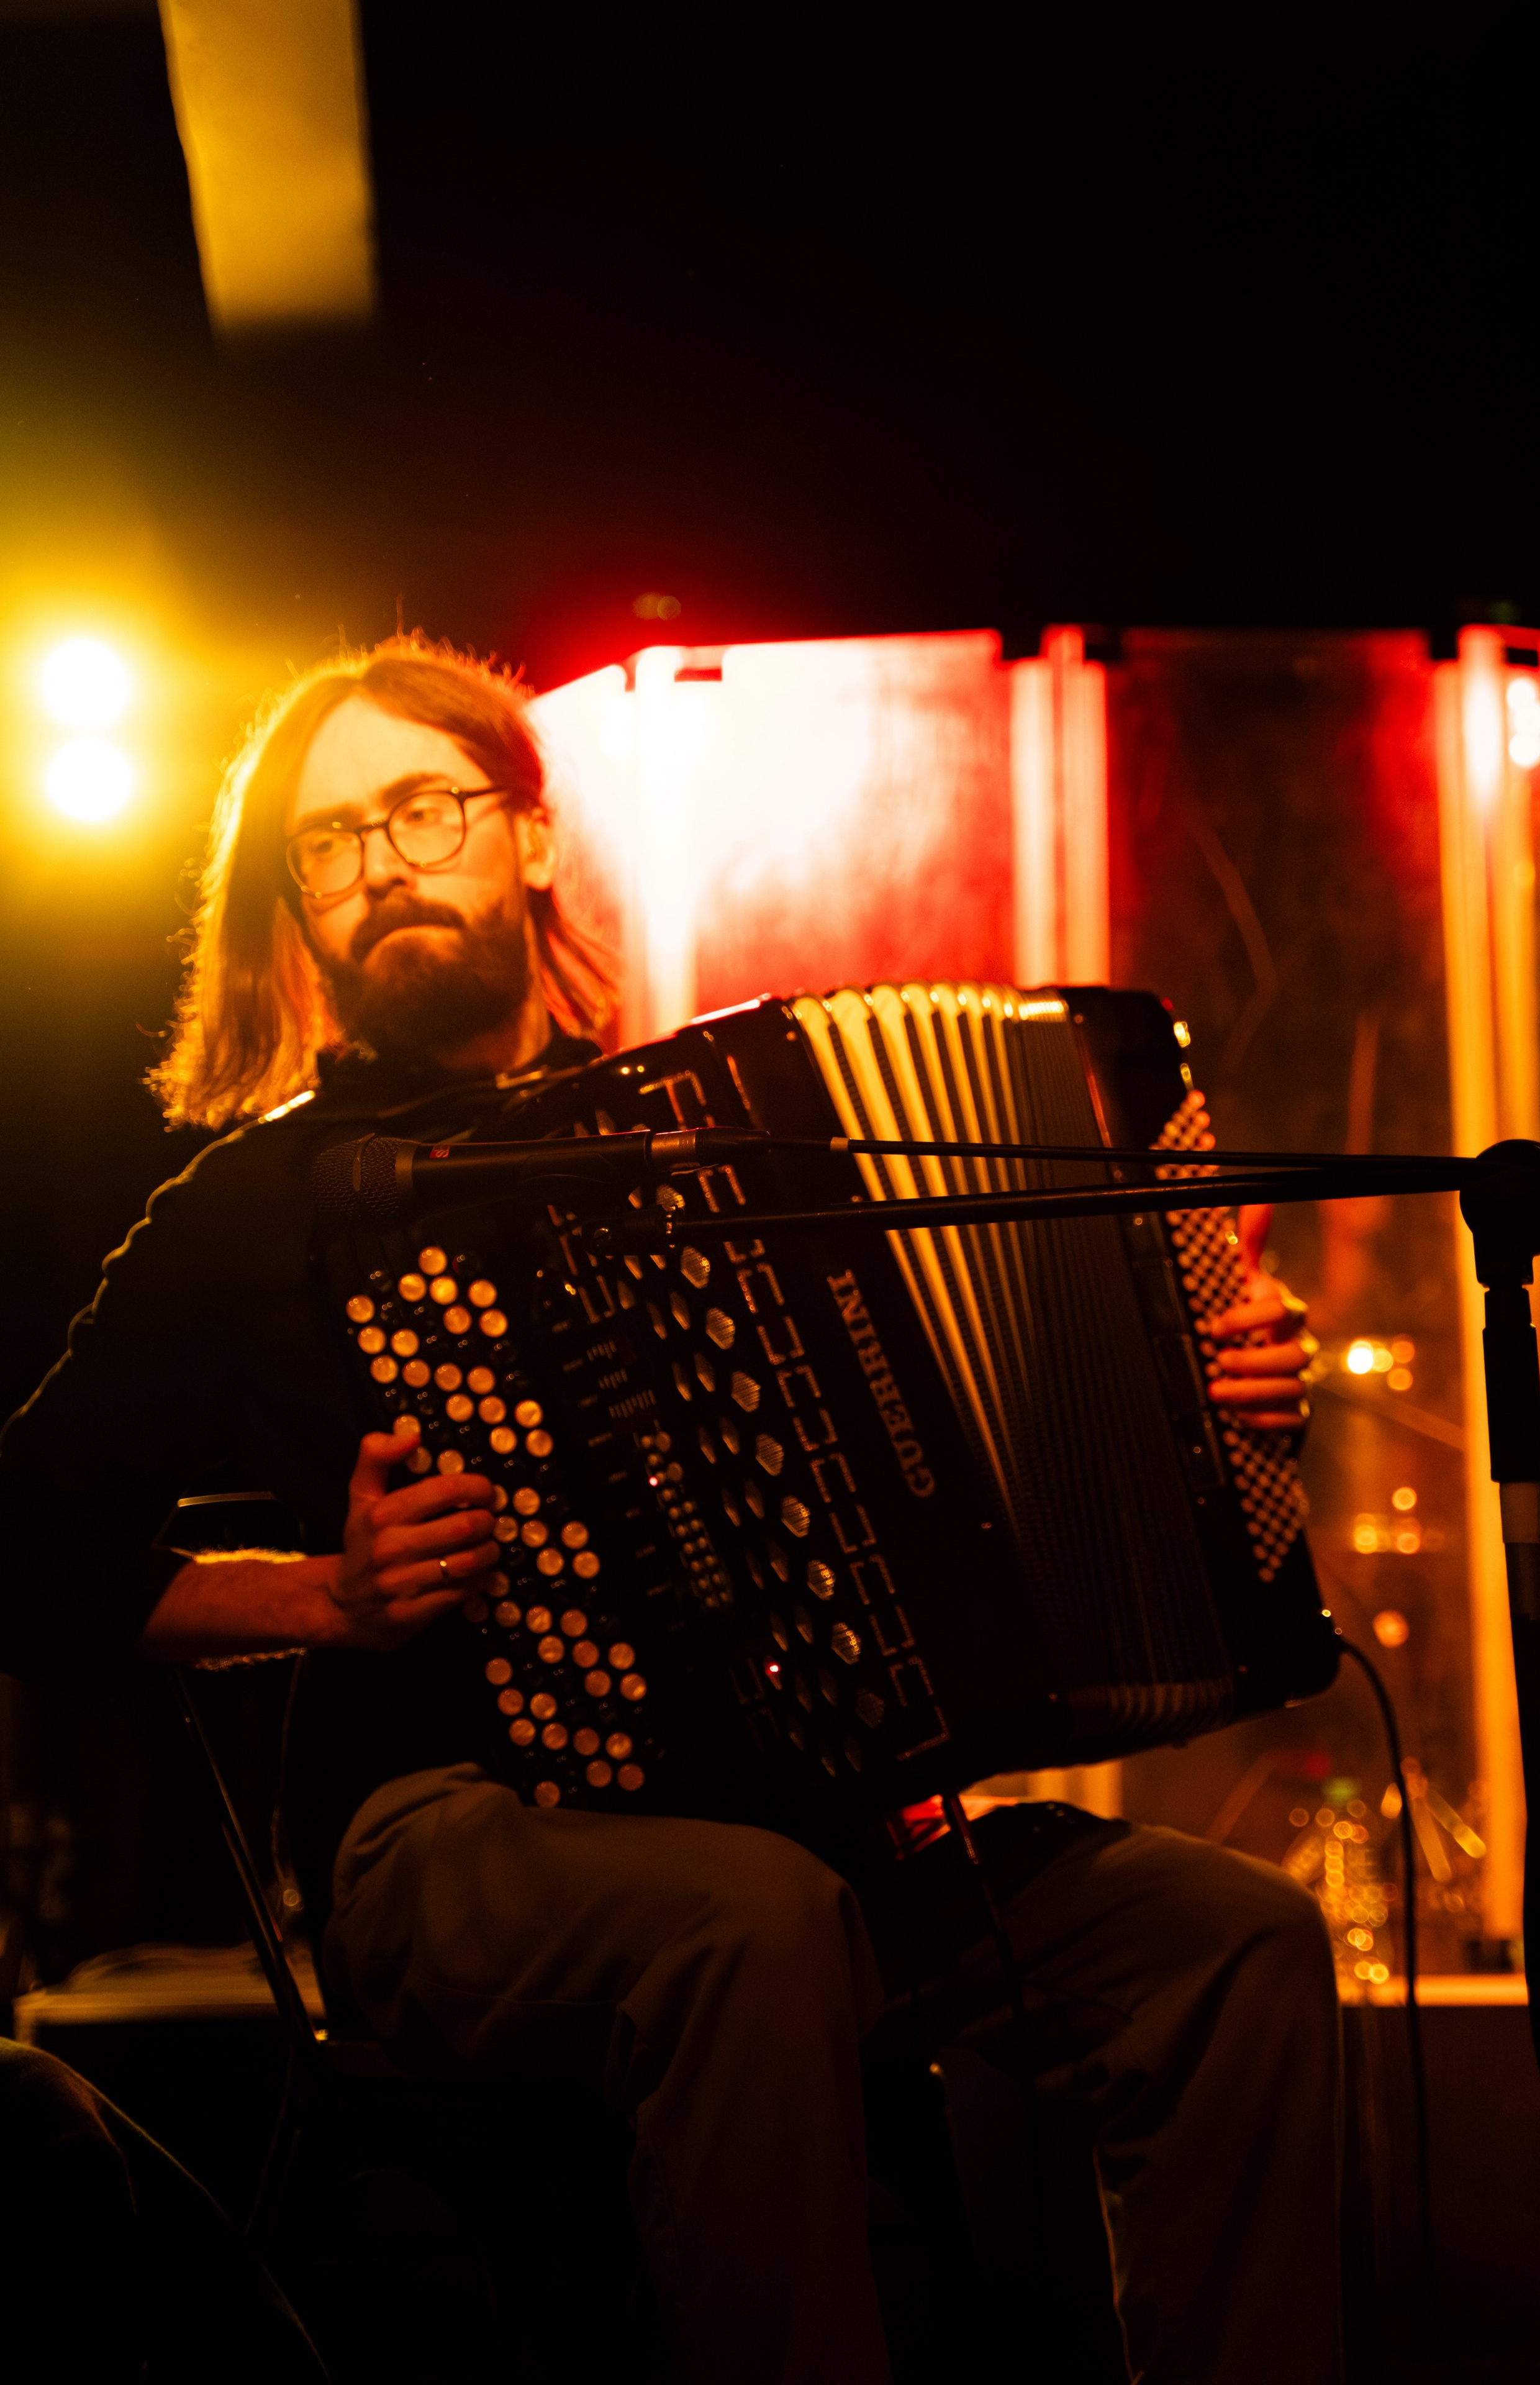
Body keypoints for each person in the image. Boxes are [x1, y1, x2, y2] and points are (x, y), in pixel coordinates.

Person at [0, 638, 1339, 2384]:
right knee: (750, 1926)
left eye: (425, 808)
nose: (385, 864)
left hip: (815, 1845)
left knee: (1235, 1944)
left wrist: (1206, 1397)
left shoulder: (732, 1139)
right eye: (329, 844)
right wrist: (325, 1597)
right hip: (445, 1846)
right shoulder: (247, 1212)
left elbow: (990, 1416)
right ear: (297, 906)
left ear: (532, 839)